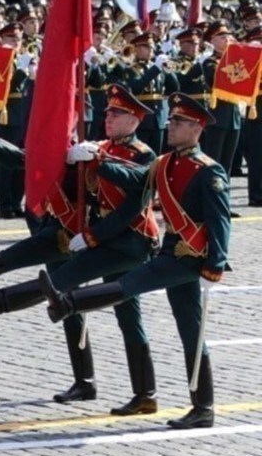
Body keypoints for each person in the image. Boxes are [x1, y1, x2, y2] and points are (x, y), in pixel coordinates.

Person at [39, 93, 230, 430]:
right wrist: (99, 163)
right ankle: (201, 407)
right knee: (190, 331)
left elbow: (220, 222)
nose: (170, 126)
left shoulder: (209, 171)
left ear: (197, 129)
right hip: (172, 250)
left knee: (130, 284)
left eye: (179, 122)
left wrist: (215, 264)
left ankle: (67, 302)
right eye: (171, 120)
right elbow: (135, 181)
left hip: (190, 258)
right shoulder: (164, 163)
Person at [0, 85, 161, 412]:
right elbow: (30, 161)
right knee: (72, 299)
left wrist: (93, 236)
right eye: (107, 112)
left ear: (134, 120)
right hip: (97, 238)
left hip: (129, 241)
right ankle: (85, 381)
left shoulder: (145, 155)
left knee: (123, 313)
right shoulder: (96, 146)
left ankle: (146, 394)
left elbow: (133, 204)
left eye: (116, 114)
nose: (108, 117)